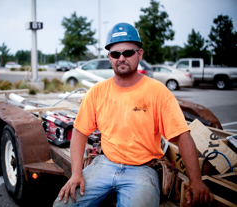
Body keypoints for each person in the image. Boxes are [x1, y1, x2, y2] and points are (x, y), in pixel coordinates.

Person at [53, 22, 213, 207]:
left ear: (139, 54)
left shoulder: (157, 92)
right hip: (104, 164)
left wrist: (196, 181)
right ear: (109, 58)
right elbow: (80, 132)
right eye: (115, 54)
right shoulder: (97, 92)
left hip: (142, 171)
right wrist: (76, 174)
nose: (121, 58)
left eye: (128, 52)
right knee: (62, 205)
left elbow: (182, 136)